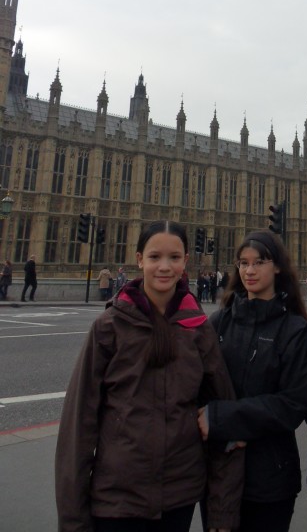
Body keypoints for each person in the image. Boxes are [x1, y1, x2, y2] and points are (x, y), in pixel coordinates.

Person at [55, 220, 243, 532]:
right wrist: (73, 522)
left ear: (185, 261)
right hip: (117, 498)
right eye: (155, 257)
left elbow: (224, 420)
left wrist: (222, 514)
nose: (164, 267)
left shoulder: (199, 329)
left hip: (179, 497)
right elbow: (78, 428)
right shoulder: (109, 327)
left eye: (174, 257)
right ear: (140, 259)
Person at [198, 229, 307, 532]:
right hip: (219, 474)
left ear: (277, 267)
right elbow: (198, 388)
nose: (249, 270)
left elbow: (294, 403)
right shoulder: (219, 323)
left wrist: (226, 422)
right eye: (243, 263)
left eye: (259, 262)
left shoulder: (294, 329)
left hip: (271, 477)